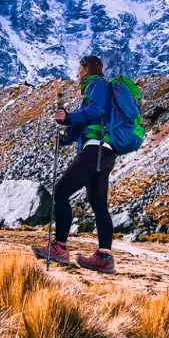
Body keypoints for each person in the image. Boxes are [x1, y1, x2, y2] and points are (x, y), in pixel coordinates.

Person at [32, 55, 118, 274]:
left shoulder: (96, 84)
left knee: (60, 192)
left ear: (86, 69)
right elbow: (86, 122)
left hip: (94, 151)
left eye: (79, 70)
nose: (77, 74)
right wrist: (66, 138)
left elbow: (95, 111)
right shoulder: (99, 88)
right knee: (99, 205)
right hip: (105, 152)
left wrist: (69, 117)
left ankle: (60, 248)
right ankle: (104, 257)